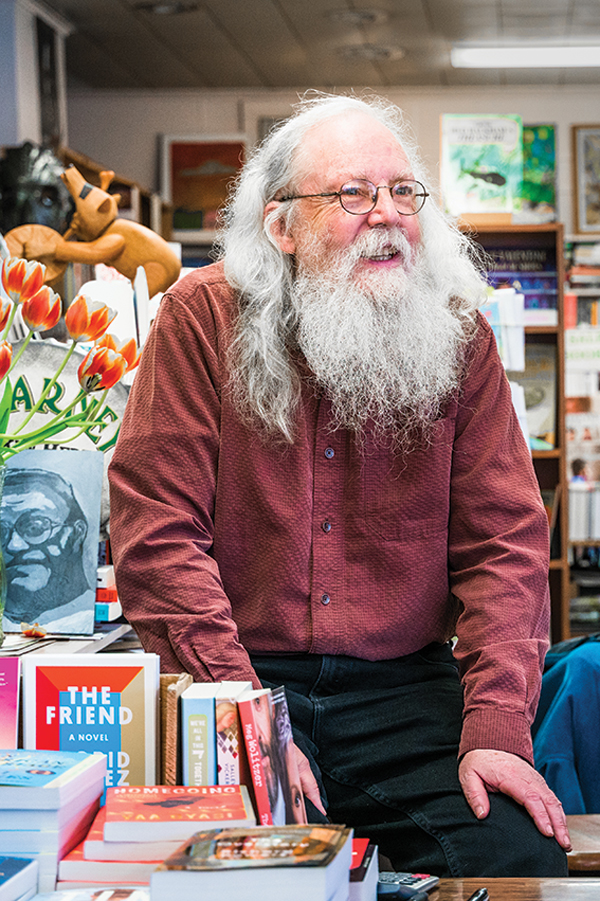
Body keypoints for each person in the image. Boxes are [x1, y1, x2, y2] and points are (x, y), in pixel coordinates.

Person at [108, 93, 571, 876]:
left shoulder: (460, 338)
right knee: (243, 873)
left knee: (517, 856)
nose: (386, 214)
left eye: (402, 192)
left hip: (405, 690)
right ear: (280, 226)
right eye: (353, 194)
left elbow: (507, 543)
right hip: (239, 676)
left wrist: (495, 728)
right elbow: (157, 535)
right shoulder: (199, 319)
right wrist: (246, 723)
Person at [1, 468, 95, 632]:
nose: (13, 545)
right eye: (1, 531)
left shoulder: (84, 618)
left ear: (76, 533)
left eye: (35, 527)